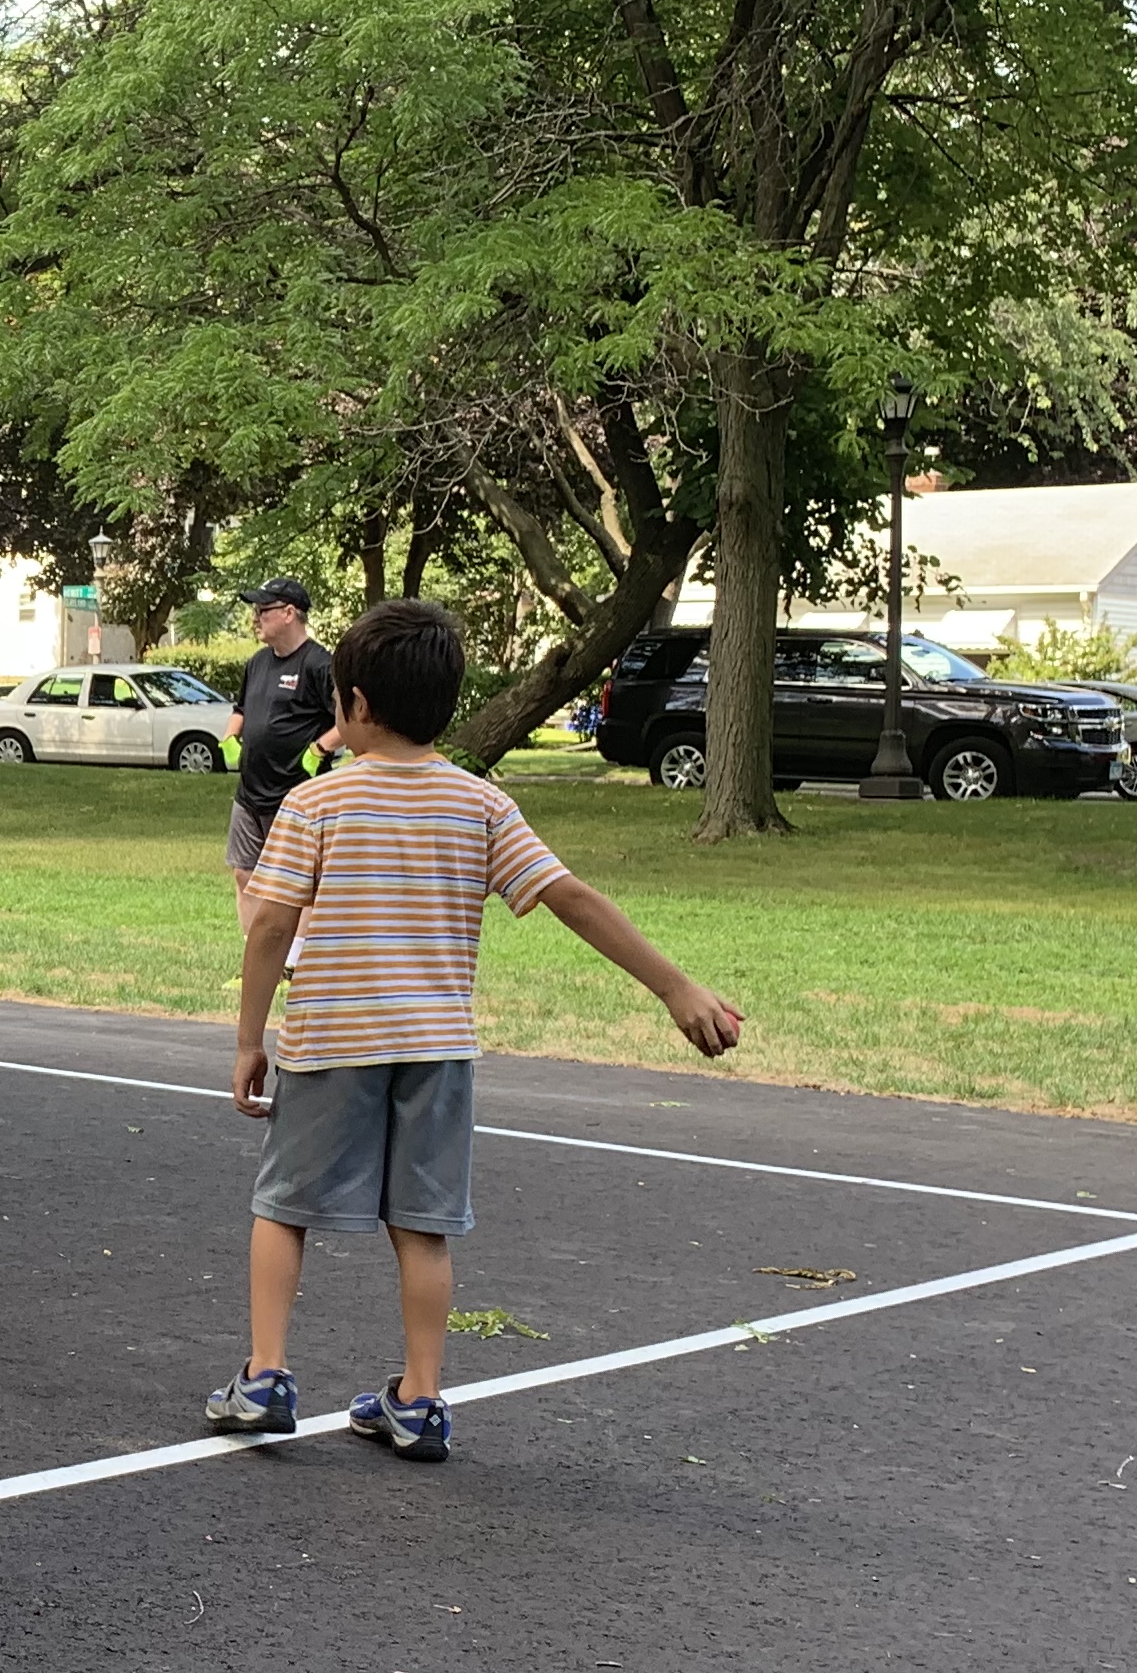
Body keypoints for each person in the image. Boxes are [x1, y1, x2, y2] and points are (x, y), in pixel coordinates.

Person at [205, 599, 742, 1456]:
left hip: (333, 1040)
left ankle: (265, 1375)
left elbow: (269, 924)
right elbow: (570, 896)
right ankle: (418, 1399)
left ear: (355, 706)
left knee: (284, 1207)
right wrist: (676, 988)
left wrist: (247, 1039)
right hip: (437, 1048)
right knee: (423, 1222)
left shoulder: (319, 802)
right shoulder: (479, 804)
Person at [227, 578, 340, 889]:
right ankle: (253, 939)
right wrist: (229, 739)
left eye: (263, 610)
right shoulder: (257, 662)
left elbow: (351, 721)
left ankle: (299, 941)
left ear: (289, 613)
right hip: (249, 791)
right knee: (244, 873)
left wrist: (320, 748)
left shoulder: (319, 664)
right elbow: (240, 710)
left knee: (297, 882)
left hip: (295, 793)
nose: (255, 618)